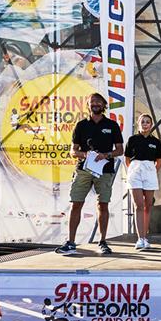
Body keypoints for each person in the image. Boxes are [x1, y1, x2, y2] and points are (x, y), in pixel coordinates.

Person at [55, 93, 123, 255]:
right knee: (76, 203)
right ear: (88, 105)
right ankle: (71, 242)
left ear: (104, 105)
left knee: (103, 205)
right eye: (92, 102)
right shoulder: (81, 125)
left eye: (98, 102)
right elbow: (73, 151)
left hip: (105, 170)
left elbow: (120, 150)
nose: (95, 104)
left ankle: (102, 241)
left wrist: (106, 155)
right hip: (83, 170)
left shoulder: (112, 125)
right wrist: (85, 155)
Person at [124, 114, 161, 250]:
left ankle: (145, 237)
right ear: (138, 123)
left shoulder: (156, 142)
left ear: (151, 125)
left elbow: (159, 160)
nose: (145, 124)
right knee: (138, 205)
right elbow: (127, 159)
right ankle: (140, 238)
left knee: (148, 205)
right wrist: (134, 170)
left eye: (148, 122)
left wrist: (152, 170)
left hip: (150, 172)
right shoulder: (132, 139)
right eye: (143, 122)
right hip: (135, 171)